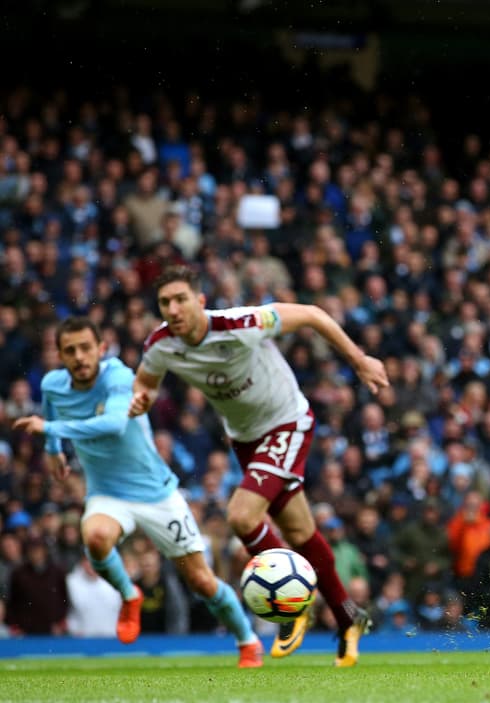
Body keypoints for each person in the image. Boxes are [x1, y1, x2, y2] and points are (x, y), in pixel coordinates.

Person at [129, 265, 387, 666]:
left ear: (200, 301)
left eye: (181, 299)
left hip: (287, 422)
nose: (173, 309)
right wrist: (141, 397)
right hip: (246, 439)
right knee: (300, 531)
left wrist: (359, 360)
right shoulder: (161, 345)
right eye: (165, 303)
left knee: (241, 516)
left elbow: (313, 314)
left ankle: (292, 603)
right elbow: (146, 382)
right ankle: (347, 615)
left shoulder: (241, 323)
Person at [11, 317, 261, 666]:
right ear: (60, 356)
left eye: (85, 348)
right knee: (95, 538)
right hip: (107, 493)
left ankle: (247, 640)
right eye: (70, 351)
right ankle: (130, 594)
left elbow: (113, 425)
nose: (79, 357)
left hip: (157, 494)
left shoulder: (118, 377)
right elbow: (52, 406)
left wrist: (51, 430)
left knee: (201, 581)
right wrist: (53, 450)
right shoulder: (54, 384)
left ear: (101, 348)